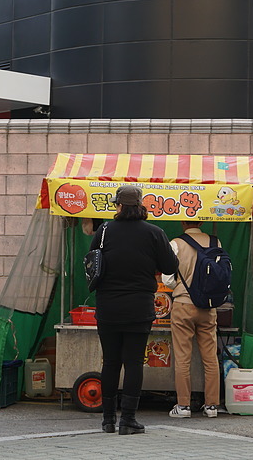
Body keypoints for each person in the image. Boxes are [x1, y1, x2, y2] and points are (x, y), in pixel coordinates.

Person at [92, 185, 178, 435]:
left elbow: (91, 260)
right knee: (133, 363)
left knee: (110, 362)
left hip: (107, 306)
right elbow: (170, 265)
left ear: (118, 206)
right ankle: (128, 419)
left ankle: (108, 419)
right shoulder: (154, 233)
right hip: (139, 307)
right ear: (141, 206)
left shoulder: (105, 230)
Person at [162, 221, 221, 419]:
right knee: (211, 358)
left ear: (182, 221)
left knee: (182, 358)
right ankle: (212, 406)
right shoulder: (215, 242)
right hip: (209, 306)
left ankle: (183, 406)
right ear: (202, 221)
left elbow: (167, 279)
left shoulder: (176, 244)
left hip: (183, 306)